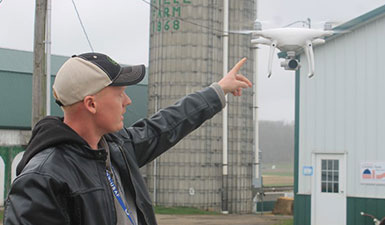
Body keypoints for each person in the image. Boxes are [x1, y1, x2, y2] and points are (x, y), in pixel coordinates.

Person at [3, 52, 252, 225]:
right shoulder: (42, 180)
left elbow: (165, 125)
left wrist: (217, 91)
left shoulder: (116, 148)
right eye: (120, 93)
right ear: (91, 104)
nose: (128, 101)